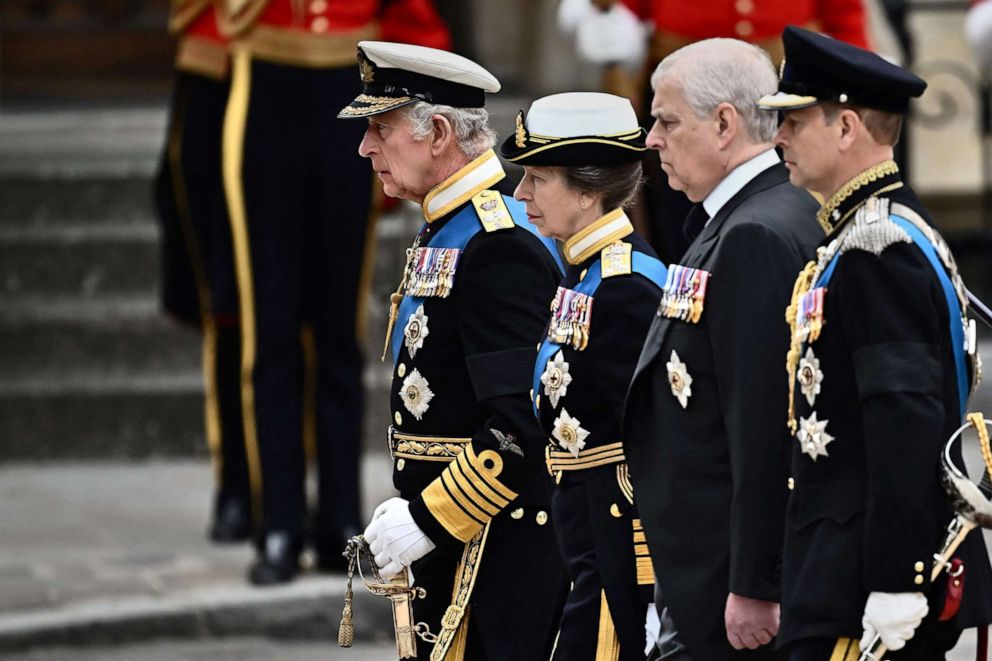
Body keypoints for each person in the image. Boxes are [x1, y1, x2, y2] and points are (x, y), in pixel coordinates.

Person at [756, 25, 992, 660]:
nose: (777, 139)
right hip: (836, 561)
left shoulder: (880, 248)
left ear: (846, 128)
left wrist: (898, 578)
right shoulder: (868, 232)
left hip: (861, 577)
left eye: (794, 123)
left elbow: (905, 417)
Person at [342, 42, 568, 660]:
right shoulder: (451, 225)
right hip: (459, 544)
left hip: (497, 555)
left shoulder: (497, 243)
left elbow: (523, 423)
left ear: (438, 132)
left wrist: (429, 515)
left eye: (379, 129)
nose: (366, 148)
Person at [218, 0, 450, 584]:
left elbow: (409, 17)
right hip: (267, 82)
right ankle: (279, 523)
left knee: (339, 331)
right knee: (270, 329)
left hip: (351, 86)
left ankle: (341, 519)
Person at [622, 38, 822, 660]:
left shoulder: (755, 232)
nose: (652, 139)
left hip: (727, 585)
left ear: (725, 123)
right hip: (703, 568)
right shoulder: (748, 215)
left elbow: (763, 421)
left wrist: (754, 583)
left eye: (667, 120)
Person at [502, 91, 666, 661]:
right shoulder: (584, 272)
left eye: (538, 178)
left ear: (589, 191)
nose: (520, 194)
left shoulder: (624, 288)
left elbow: (651, 450)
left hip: (616, 561)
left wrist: (648, 590)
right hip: (583, 547)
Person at [155, 0, 252, 543]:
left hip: (316, 68)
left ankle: (307, 492)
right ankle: (238, 484)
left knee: (315, 320)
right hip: (219, 64)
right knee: (230, 307)